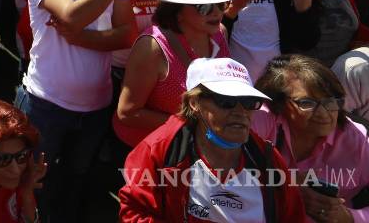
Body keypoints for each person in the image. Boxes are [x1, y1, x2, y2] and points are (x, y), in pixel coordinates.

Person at [17, 0, 164, 221]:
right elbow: (71, 14)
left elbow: (125, 35)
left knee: (74, 181)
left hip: (96, 105)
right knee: (31, 181)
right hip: (46, 102)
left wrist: (80, 37)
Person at [119, 57, 305, 221]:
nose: (240, 112)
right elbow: (135, 212)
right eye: (226, 102)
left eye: (249, 102)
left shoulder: (267, 159)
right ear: (194, 103)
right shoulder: (158, 150)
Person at [114, 0, 238, 147]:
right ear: (177, 11)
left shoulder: (220, 32)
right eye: (204, 6)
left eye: (220, 3)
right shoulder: (151, 48)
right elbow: (127, 113)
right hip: (151, 149)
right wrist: (192, 124)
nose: (216, 12)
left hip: (194, 145)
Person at [253, 54, 369, 222]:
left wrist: (350, 217)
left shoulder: (356, 140)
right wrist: (283, 187)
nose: (323, 113)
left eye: (331, 101)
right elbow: (221, 176)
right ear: (280, 104)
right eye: (307, 103)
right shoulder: (261, 120)